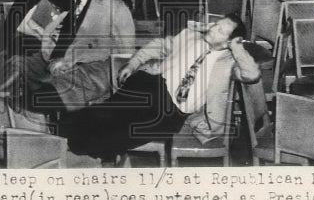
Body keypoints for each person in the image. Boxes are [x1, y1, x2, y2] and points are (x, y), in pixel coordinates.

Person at [63, 15, 260, 163]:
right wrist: (133, 63)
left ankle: (78, 143)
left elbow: (252, 75)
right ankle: (63, 128)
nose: (213, 28)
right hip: (153, 84)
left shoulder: (229, 63)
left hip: (172, 112)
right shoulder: (191, 37)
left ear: (229, 42)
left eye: (220, 30)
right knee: (109, 111)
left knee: (124, 132)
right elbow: (159, 46)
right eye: (216, 24)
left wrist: (237, 48)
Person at [17, 0, 134, 114]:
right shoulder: (75, 3)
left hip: (94, 71)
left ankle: (24, 114)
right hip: (62, 63)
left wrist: (70, 60)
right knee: (18, 66)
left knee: (38, 99)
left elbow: (124, 55)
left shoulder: (115, 9)